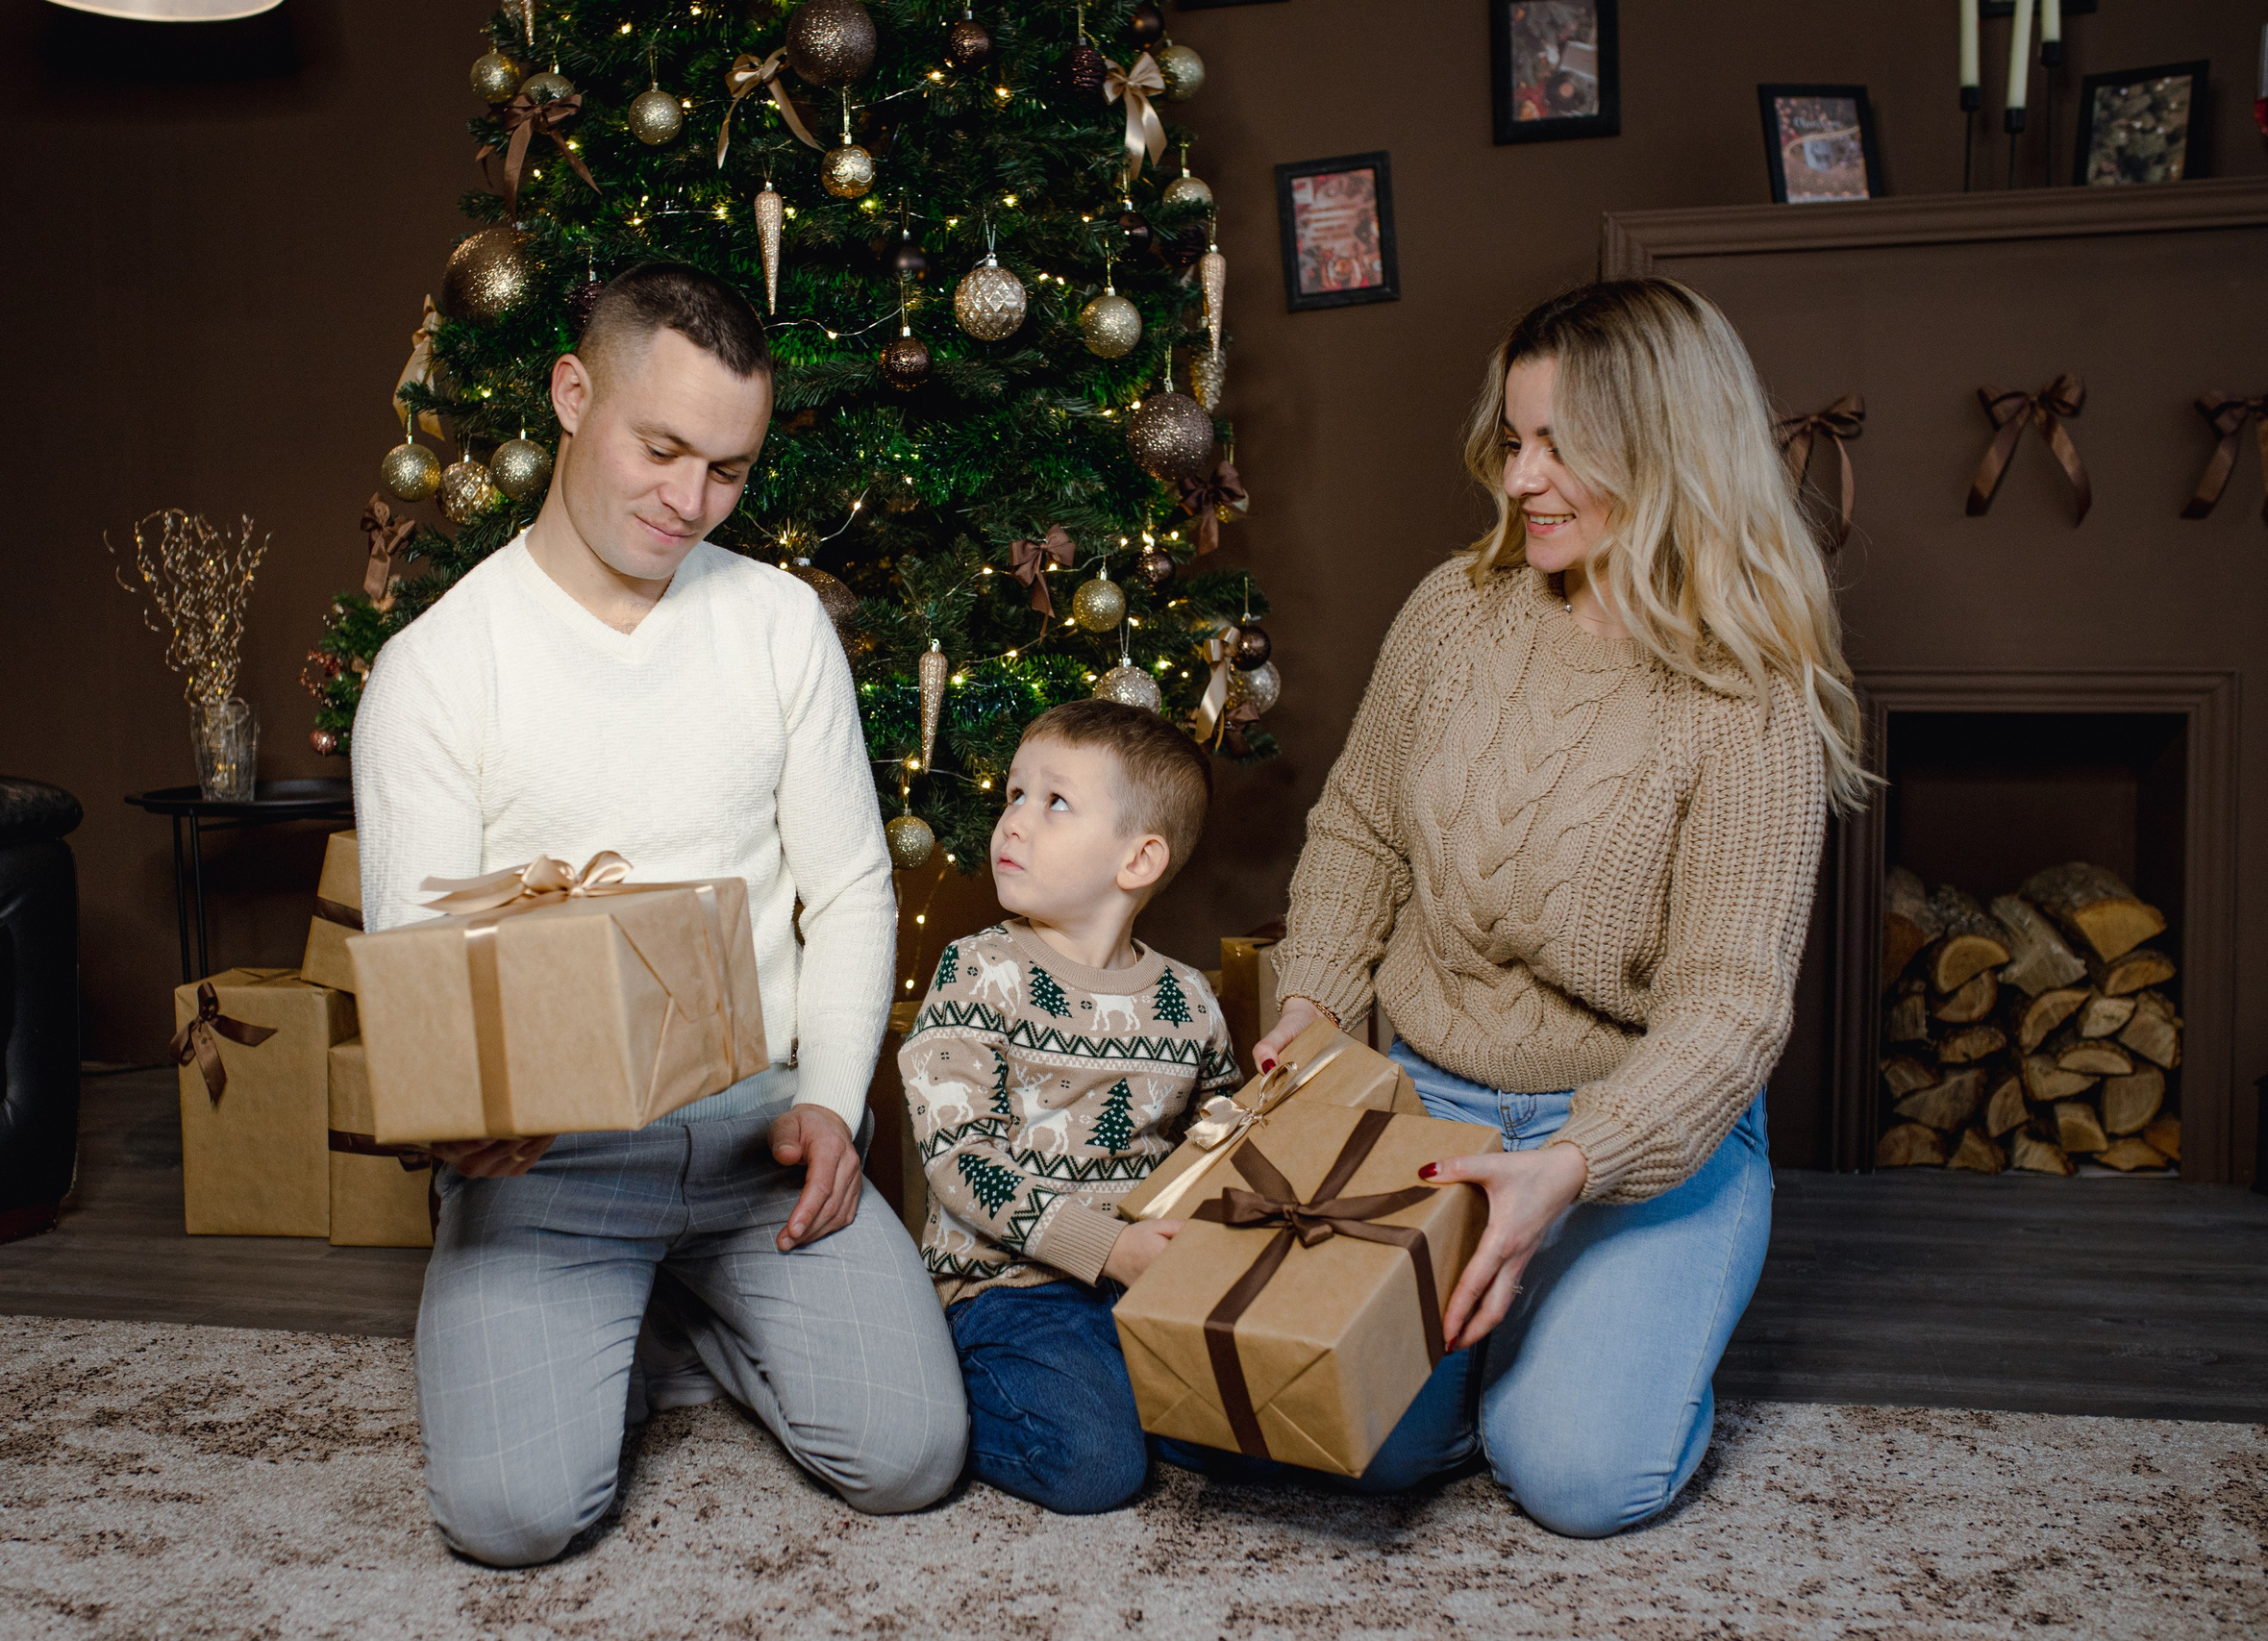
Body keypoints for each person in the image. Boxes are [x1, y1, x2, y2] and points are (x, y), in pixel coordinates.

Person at [352, 262, 968, 1567]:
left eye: (729, 469)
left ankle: (683, 1315)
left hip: (762, 1139)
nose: (690, 502)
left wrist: (834, 1098)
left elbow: (851, 886)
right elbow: (424, 968)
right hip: (555, 1163)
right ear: (576, 395)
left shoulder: (778, 623)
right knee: (515, 1518)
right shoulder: (438, 670)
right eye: (664, 447)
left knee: (911, 1456)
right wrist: (469, 1124)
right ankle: (615, 1309)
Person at [1255, 278, 1870, 1533]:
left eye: (1559, 447)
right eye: (1513, 440)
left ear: (1667, 453)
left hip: (1631, 1138)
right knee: (1339, 1438)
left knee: (1581, 1476)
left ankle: (1584, 1333)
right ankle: (1503, 1340)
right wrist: (1314, 1003)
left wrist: (1573, 1168)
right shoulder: (1454, 608)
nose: (1519, 478)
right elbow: (1360, 829)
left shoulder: (1750, 699)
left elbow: (1731, 1008)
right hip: (1425, 1097)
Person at [901, 700, 1243, 1514]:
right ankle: (950, 1395)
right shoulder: (980, 970)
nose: (1013, 822)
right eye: (1014, 795)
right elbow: (962, 1161)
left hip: (1142, 1279)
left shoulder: (1187, 998)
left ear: (1139, 858)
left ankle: (1130, 1391)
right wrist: (1109, 1248)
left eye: (1053, 802)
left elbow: (1221, 1135)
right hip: (1009, 1287)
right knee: (1095, 1466)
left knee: (1255, 1435)